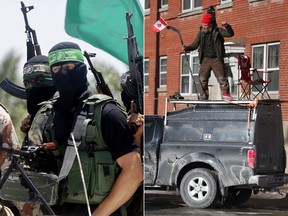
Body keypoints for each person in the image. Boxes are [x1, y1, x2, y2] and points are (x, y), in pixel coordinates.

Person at [47, 41, 143, 216]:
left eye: (69, 67)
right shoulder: (53, 116)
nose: (62, 73)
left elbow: (134, 172)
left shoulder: (107, 113)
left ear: (82, 70)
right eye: (56, 70)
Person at [14, 55, 57, 216]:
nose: (32, 87)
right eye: (27, 83)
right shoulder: (40, 114)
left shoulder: (59, 110)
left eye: (39, 81)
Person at [183, 13, 234, 100]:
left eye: (205, 26)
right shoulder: (201, 33)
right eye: (203, 25)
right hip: (205, 59)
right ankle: (203, 96)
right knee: (202, 78)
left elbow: (230, 34)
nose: (204, 27)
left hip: (216, 59)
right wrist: (187, 48)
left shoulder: (218, 31)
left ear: (210, 25)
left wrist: (227, 26)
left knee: (222, 78)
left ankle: (226, 94)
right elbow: (195, 45)